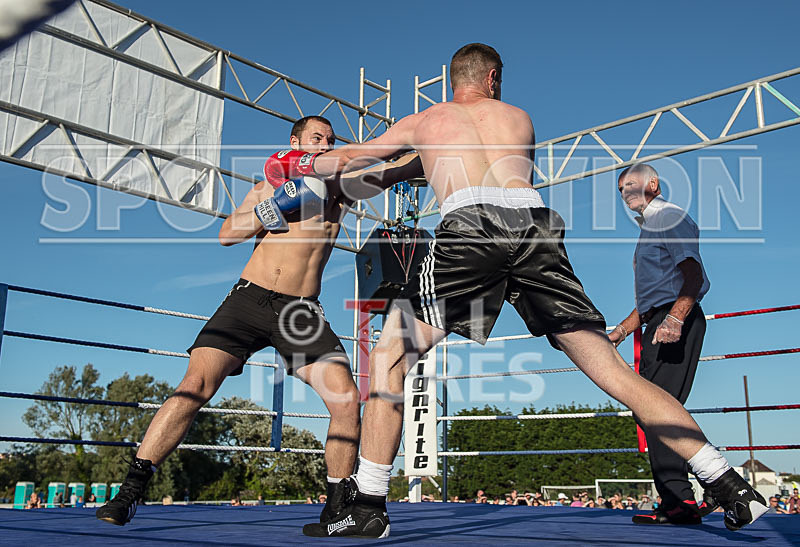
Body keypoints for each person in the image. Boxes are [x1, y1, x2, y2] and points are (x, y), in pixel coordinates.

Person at [272, 43, 768, 538]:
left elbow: (350, 160)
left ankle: (369, 504)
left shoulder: (426, 120)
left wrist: (296, 162)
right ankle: (729, 484)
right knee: (615, 372)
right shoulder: (519, 119)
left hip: (472, 229)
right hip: (535, 227)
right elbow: (455, 165)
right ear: (492, 78)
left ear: (454, 80)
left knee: (389, 360)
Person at [95, 115, 420, 527]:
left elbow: (396, 169)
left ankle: (337, 505)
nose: (324, 145)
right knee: (194, 386)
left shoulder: (340, 188)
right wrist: (276, 206)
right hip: (247, 300)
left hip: (300, 311)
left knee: (344, 399)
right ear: (294, 142)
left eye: (331, 140)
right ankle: (130, 492)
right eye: (317, 138)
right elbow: (228, 234)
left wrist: (432, 151)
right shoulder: (266, 187)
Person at [609, 163, 716, 526]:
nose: (626, 193)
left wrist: (675, 318)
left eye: (632, 185)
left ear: (653, 183)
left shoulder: (669, 217)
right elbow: (652, 299)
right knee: (650, 409)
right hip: (659, 318)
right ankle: (683, 498)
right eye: (621, 189)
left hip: (675, 320)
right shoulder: (650, 227)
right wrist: (618, 334)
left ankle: (695, 491)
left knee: (657, 408)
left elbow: (693, 274)